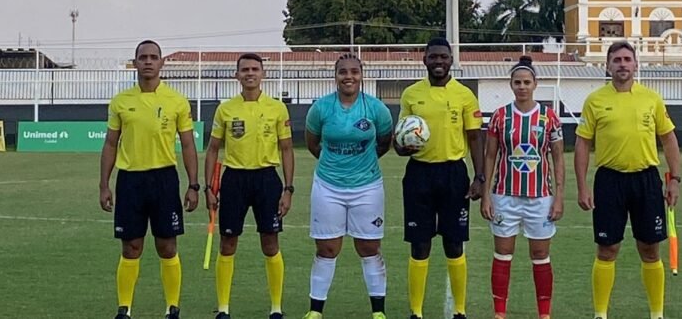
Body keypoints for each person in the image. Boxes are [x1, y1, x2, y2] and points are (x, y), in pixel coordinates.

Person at [574, 41, 681, 319]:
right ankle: (600, 314)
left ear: (635, 65)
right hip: (610, 181)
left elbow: (668, 138)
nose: (622, 64)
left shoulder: (651, 99)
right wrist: (583, 186)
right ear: (607, 66)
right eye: (617, 60)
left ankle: (656, 314)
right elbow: (583, 144)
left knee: (650, 248)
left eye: (627, 59)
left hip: (646, 181)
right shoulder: (595, 100)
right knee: (607, 249)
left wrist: (675, 179)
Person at [99, 40, 199, 319]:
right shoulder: (121, 101)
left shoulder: (176, 101)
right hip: (130, 180)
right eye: (143, 57)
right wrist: (104, 184)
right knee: (131, 246)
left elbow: (188, 145)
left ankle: (172, 308)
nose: (148, 61)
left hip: (164, 179)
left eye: (153, 57)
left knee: (167, 245)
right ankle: (124, 309)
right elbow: (110, 144)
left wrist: (193, 185)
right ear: (135, 62)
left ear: (161, 63)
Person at [395, 37, 485, 319]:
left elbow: (474, 138)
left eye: (443, 57)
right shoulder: (411, 94)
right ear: (424, 59)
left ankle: (459, 309)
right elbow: (400, 141)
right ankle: (417, 311)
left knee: (454, 242)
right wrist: (402, 146)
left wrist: (479, 177)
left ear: (451, 60)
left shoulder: (465, 95)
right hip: (419, 173)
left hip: (453, 173)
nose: (438, 62)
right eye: (433, 57)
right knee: (420, 243)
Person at [204, 53, 295, 319]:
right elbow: (212, 150)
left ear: (263, 74)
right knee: (228, 242)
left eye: (255, 69)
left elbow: (287, 149)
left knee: (270, 241)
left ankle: (276, 308)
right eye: (245, 69)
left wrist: (288, 189)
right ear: (237, 75)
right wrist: (210, 188)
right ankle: (223, 308)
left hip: (267, 179)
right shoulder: (226, 109)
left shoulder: (277, 108)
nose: (250, 73)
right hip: (234, 180)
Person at [302, 54, 392, 319]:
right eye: (343, 72)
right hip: (328, 186)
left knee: (369, 248)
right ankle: (315, 311)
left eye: (354, 71)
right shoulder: (321, 108)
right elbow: (312, 142)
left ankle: (378, 312)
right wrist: (336, 165)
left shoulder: (376, 109)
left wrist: (361, 165)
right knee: (327, 248)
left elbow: (384, 142)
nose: (348, 76)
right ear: (335, 75)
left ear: (361, 75)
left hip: (368, 187)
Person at [480, 55, 565, 319]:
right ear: (511, 84)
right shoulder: (500, 117)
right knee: (503, 253)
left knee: (540, 254)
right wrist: (486, 195)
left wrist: (559, 197)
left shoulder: (549, 117)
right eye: (517, 82)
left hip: (540, 198)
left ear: (535, 84)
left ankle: (544, 313)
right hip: (504, 196)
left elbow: (558, 158)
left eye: (527, 82)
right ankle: (500, 313)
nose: (522, 86)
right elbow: (490, 156)